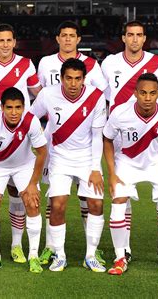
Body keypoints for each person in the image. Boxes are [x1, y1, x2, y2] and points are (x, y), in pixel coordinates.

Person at [101, 20, 158, 262]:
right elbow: (102, 98)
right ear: (123, 37)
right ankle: (125, 250)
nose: (134, 39)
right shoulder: (109, 63)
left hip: (152, 132)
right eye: (130, 35)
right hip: (122, 133)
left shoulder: (157, 62)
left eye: (139, 35)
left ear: (145, 39)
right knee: (122, 193)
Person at [37, 20, 108, 265]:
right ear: (61, 78)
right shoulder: (48, 91)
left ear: (84, 79)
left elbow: (98, 135)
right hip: (58, 155)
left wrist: (96, 168)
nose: (74, 83)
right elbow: (31, 118)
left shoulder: (96, 97)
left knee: (96, 204)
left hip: (87, 158)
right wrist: (36, 143)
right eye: (69, 78)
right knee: (57, 204)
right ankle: (60, 254)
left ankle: (91, 255)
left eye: (78, 79)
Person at [103, 73, 158, 276]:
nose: (147, 98)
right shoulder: (119, 113)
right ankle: (120, 257)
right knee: (118, 200)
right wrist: (112, 174)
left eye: (152, 93)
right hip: (127, 162)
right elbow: (107, 140)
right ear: (135, 93)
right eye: (143, 93)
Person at [0, 23, 42, 264]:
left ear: (15, 42)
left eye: (8, 40)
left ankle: (16, 245)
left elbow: (37, 92)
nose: (4, 45)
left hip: (19, 138)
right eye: (0, 41)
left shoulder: (26, 64)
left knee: (18, 193)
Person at [0, 87, 47, 273]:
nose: (14, 112)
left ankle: (32, 255)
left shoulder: (31, 121)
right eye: (9, 108)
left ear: (24, 107)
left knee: (32, 202)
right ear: (2, 107)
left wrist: (32, 184)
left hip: (24, 165)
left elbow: (42, 153)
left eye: (18, 107)